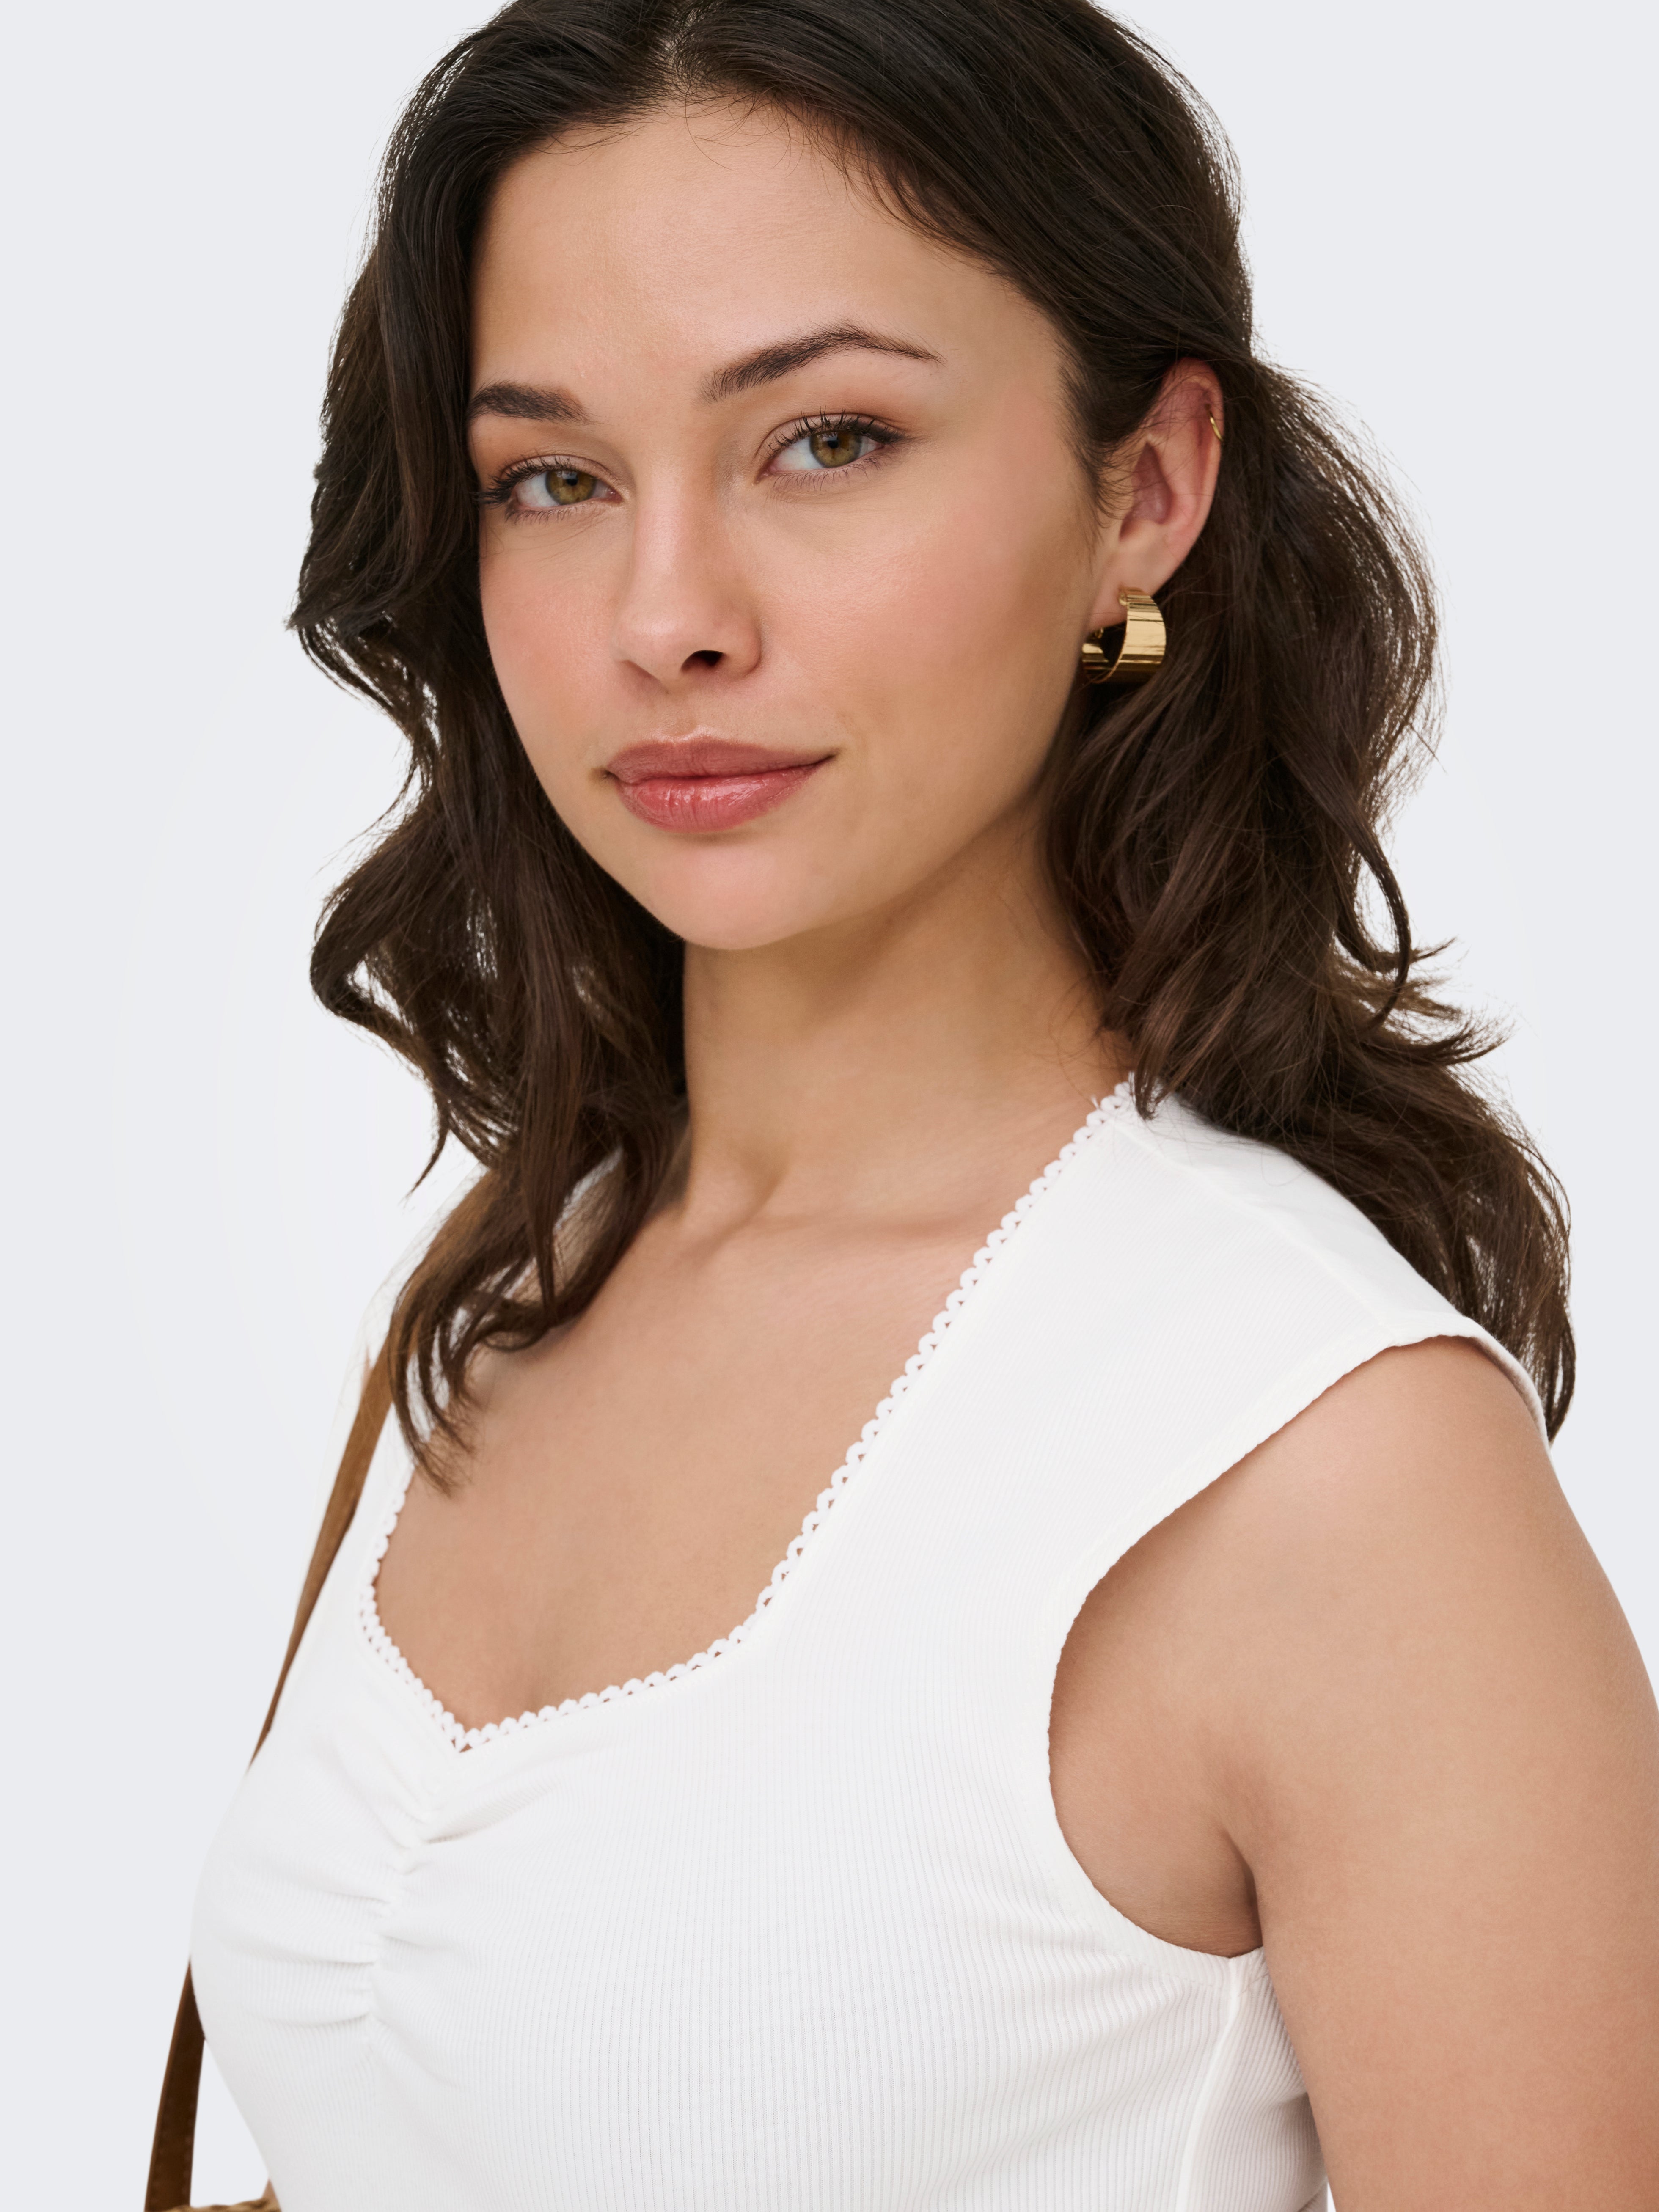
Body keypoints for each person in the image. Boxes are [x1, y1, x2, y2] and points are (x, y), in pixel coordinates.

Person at [181, 2, 1659, 2206]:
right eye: (554, 478)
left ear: (1142, 495)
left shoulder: (1327, 1474)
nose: (668, 617)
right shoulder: (509, 1289)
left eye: (828, 441)